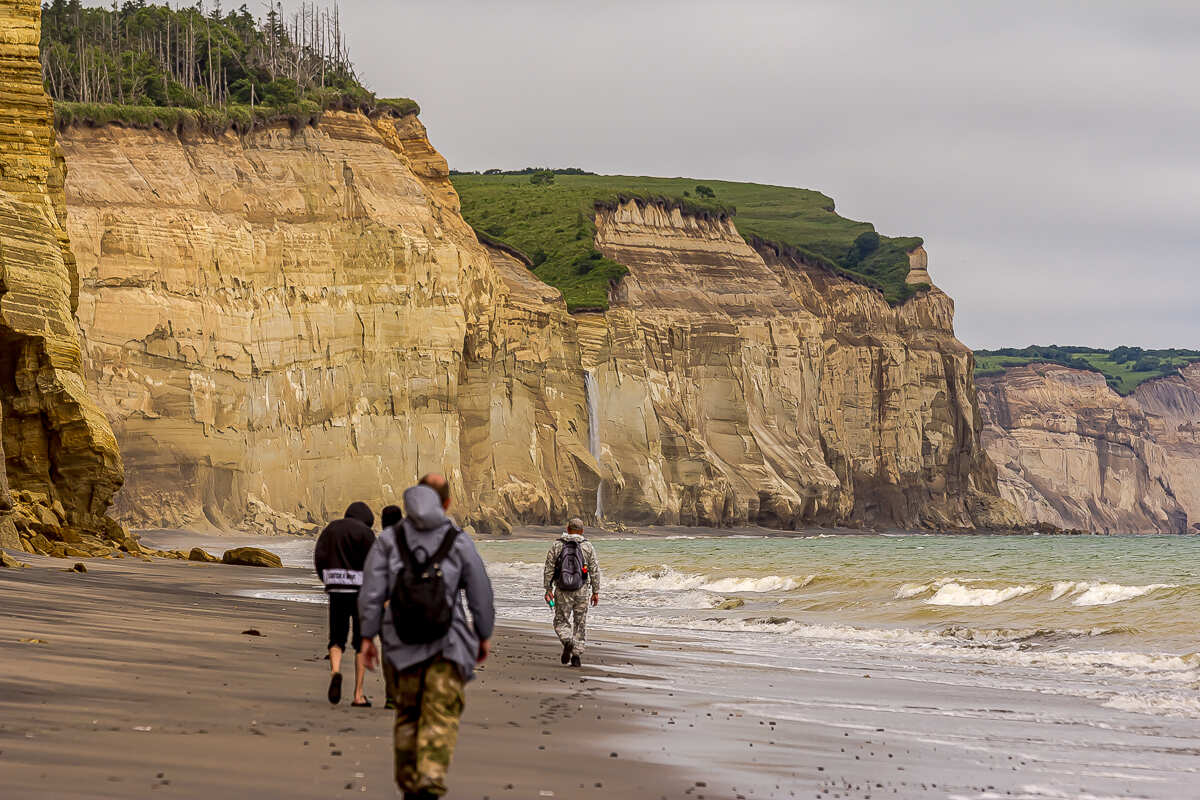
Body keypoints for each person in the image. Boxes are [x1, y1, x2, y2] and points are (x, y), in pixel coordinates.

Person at [359, 476, 494, 800]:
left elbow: (372, 593)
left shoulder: (390, 540)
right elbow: (480, 590)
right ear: (446, 503)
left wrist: (367, 637)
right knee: (441, 712)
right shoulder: (458, 540)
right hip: (447, 643)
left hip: (399, 641)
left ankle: (409, 784)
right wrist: (483, 633)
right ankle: (429, 782)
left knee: (408, 713)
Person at [314, 501, 377, 707]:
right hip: (360, 592)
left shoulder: (332, 529)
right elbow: (374, 565)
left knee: (336, 636)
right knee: (361, 641)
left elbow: (319, 556)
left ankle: (335, 671)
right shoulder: (366, 534)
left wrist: (328, 580)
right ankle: (358, 695)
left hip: (336, 588)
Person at [543, 517, 600, 667]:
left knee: (561, 620)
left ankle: (567, 640)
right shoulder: (587, 546)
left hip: (562, 590)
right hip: (581, 589)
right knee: (580, 623)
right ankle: (576, 655)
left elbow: (549, 568)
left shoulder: (557, 545)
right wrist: (596, 591)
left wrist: (548, 588)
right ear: (582, 531)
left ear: (568, 529)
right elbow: (594, 570)